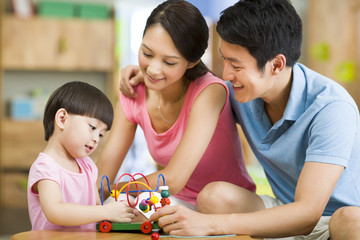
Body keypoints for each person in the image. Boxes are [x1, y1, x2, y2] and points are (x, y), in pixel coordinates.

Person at [121, 0, 360, 239]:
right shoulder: (237, 93)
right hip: (282, 212)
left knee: (350, 220)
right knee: (214, 197)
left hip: (329, 220)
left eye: (236, 65)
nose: (226, 74)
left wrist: (210, 224)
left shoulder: (331, 107)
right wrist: (148, 73)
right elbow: (194, 86)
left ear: (277, 64)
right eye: (224, 59)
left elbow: (308, 213)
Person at [96, 0, 255, 210]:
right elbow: (104, 173)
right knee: (119, 213)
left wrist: (116, 189)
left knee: (206, 199)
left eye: (169, 62)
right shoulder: (134, 91)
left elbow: (173, 179)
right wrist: (94, 198)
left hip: (224, 203)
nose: (152, 69)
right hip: (173, 201)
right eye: (147, 53)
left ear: (192, 61)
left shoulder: (209, 92)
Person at [27, 81, 136, 230]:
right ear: (62, 119)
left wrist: (121, 210)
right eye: (92, 127)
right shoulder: (45, 167)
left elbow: (97, 207)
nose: (96, 139)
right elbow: (55, 211)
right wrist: (105, 211)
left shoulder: (87, 166)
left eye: (101, 134)